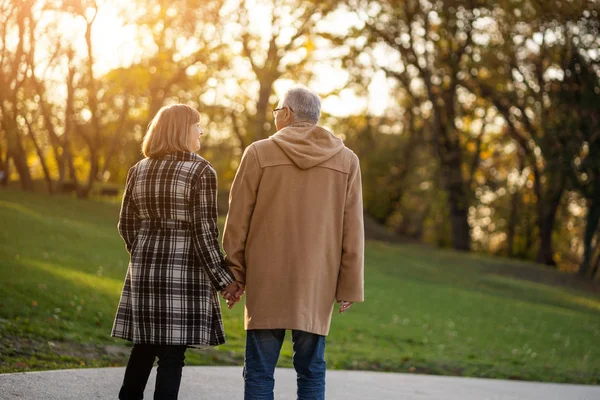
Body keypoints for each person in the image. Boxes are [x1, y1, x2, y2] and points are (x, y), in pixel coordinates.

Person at [222, 85, 365, 400]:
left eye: (277, 111)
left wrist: (235, 272)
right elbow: (352, 228)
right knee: (312, 372)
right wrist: (349, 284)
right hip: (317, 282)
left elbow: (237, 220)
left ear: (286, 113)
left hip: (266, 278)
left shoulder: (259, 153)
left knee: (259, 372)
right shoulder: (347, 160)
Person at [111, 104, 243, 400]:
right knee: (171, 356)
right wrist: (226, 281)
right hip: (184, 273)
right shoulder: (200, 170)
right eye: (197, 125)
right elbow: (204, 233)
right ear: (182, 130)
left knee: (143, 347)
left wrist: (144, 251)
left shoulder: (139, 169)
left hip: (144, 270)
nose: (202, 131)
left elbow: (126, 224)